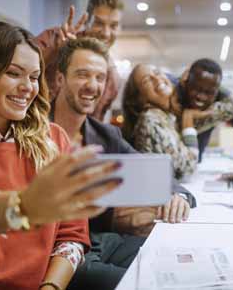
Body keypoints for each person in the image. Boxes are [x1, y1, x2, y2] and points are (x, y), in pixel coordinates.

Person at [0, 22, 122, 290]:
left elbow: (71, 236)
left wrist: (51, 287)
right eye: (14, 73)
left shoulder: (54, 139)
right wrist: (24, 207)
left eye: (34, 76)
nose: (28, 87)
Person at [52, 39, 195, 289]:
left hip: (100, 240)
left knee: (176, 261)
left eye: (99, 77)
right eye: (82, 75)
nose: (92, 86)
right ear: (60, 79)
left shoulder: (106, 135)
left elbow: (162, 179)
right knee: (146, 284)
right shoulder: (32, 130)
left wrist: (177, 197)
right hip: (56, 250)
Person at [36, 0, 122, 121]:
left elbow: (92, 124)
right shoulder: (54, 39)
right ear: (87, 22)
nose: (106, 33)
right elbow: (18, 70)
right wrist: (53, 52)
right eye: (99, 23)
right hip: (30, 127)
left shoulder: (112, 79)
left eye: (113, 26)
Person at [169, 58, 233, 181]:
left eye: (209, 92)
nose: (201, 97)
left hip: (190, 172)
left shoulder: (223, 101)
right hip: (164, 171)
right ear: (186, 81)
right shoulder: (169, 89)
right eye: (196, 89)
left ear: (217, 91)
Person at [122, 64, 214, 180]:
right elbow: (187, 169)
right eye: (146, 81)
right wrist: (188, 122)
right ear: (140, 99)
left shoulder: (167, 116)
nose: (157, 79)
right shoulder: (151, 120)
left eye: (157, 72)